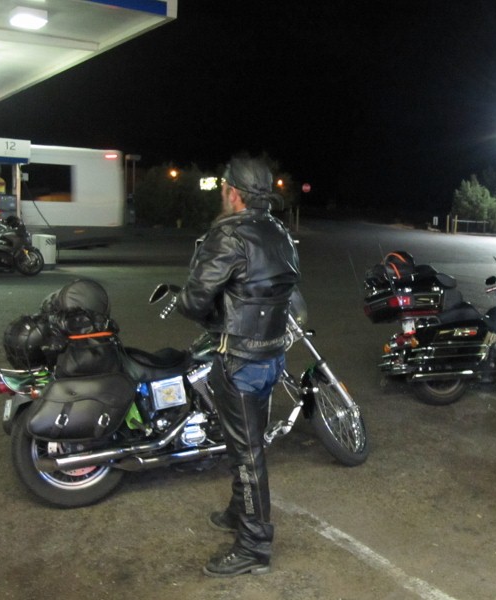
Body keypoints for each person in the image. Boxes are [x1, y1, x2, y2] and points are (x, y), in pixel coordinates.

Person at [176, 155, 300, 577]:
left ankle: (254, 547)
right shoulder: (280, 232)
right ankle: (237, 511)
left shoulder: (228, 236)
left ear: (233, 193)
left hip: (240, 362)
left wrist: (195, 304)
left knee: (247, 455)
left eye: (223, 188)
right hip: (272, 357)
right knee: (247, 444)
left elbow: (194, 301)